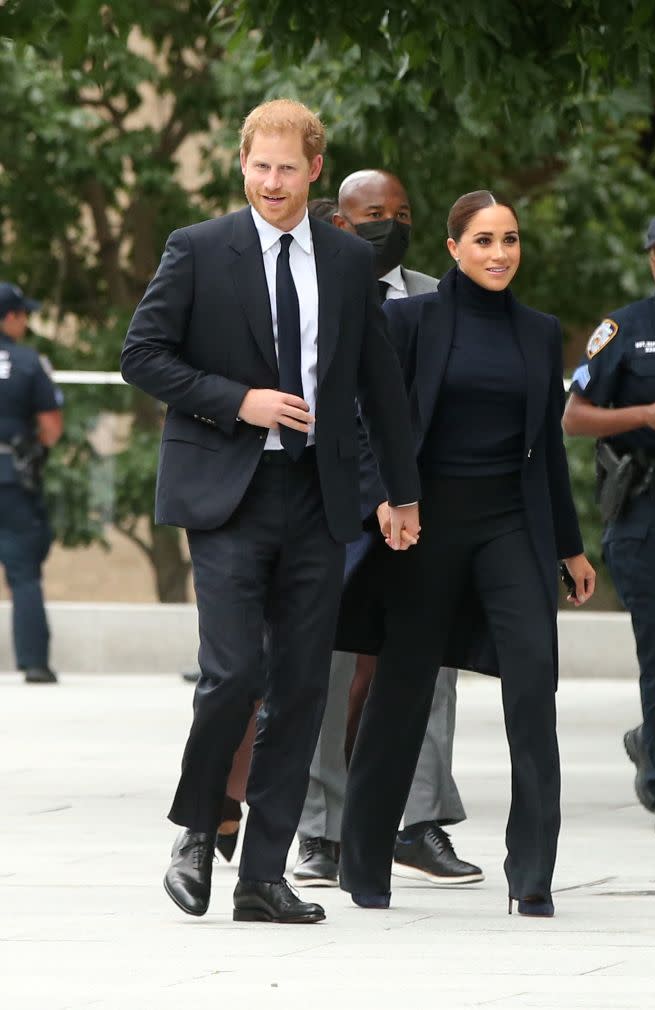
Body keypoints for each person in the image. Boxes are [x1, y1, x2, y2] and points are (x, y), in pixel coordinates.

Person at [120, 99, 421, 925]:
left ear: (314, 170)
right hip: (227, 495)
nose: (272, 184)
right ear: (241, 163)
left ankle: (262, 874)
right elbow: (140, 356)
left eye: (288, 169)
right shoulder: (197, 248)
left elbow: (378, 385)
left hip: (319, 499)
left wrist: (402, 492)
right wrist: (238, 401)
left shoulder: (348, 262)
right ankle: (196, 824)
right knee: (232, 677)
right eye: (260, 167)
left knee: (299, 688)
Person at [335, 190, 596, 917]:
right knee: (401, 690)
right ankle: (364, 861)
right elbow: (369, 421)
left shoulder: (539, 333)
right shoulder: (409, 318)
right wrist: (386, 495)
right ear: (452, 248)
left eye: (509, 240)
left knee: (533, 685)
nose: (498, 253)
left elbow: (545, 452)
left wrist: (569, 549)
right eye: (483, 240)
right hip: (425, 527)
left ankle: (532, 873)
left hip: (511, 525)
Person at [294, 169, 483, 889]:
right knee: (328, 667)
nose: (392, 225)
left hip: (417, 506)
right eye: (377, 213)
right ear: (340, 221)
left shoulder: (439, 297)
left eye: (403, 213)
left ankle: (418, 822)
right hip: (332, 503)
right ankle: (321, 832)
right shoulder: (310, 291)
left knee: (427, 666)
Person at [563, 206, 655, 835]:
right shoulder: (624, 329)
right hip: (647, 515)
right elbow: (573, 418)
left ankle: (650, 739)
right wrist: (643, 416)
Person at [0, 282, 62, 684]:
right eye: (24, 314)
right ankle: (34, 663)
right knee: (23, 571)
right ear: (10, 318)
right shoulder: (27, 361)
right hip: (9, 476)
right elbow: (51, 426)